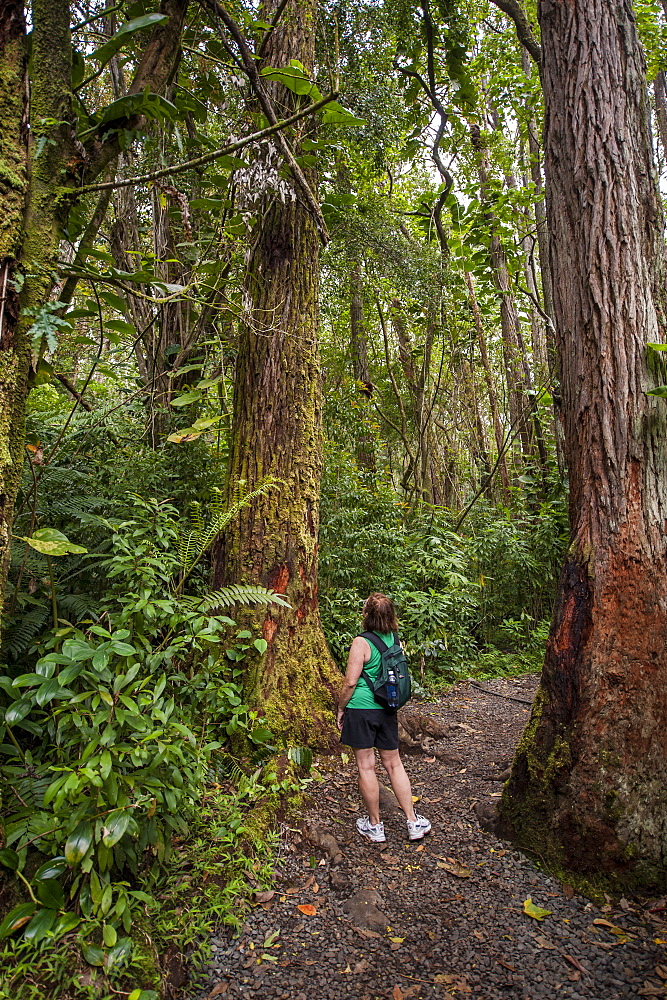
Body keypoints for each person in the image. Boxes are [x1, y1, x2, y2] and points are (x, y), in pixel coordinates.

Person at [336, 592, 431, 843]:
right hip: (387, 709)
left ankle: (375, 826)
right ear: (391, 616)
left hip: (361, 709)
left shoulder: (361, 642)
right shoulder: (395, 640)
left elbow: (350, 682)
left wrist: (341, 708)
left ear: (366, 615)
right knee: (394, 764)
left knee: (366, 766)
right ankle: (412, 821)